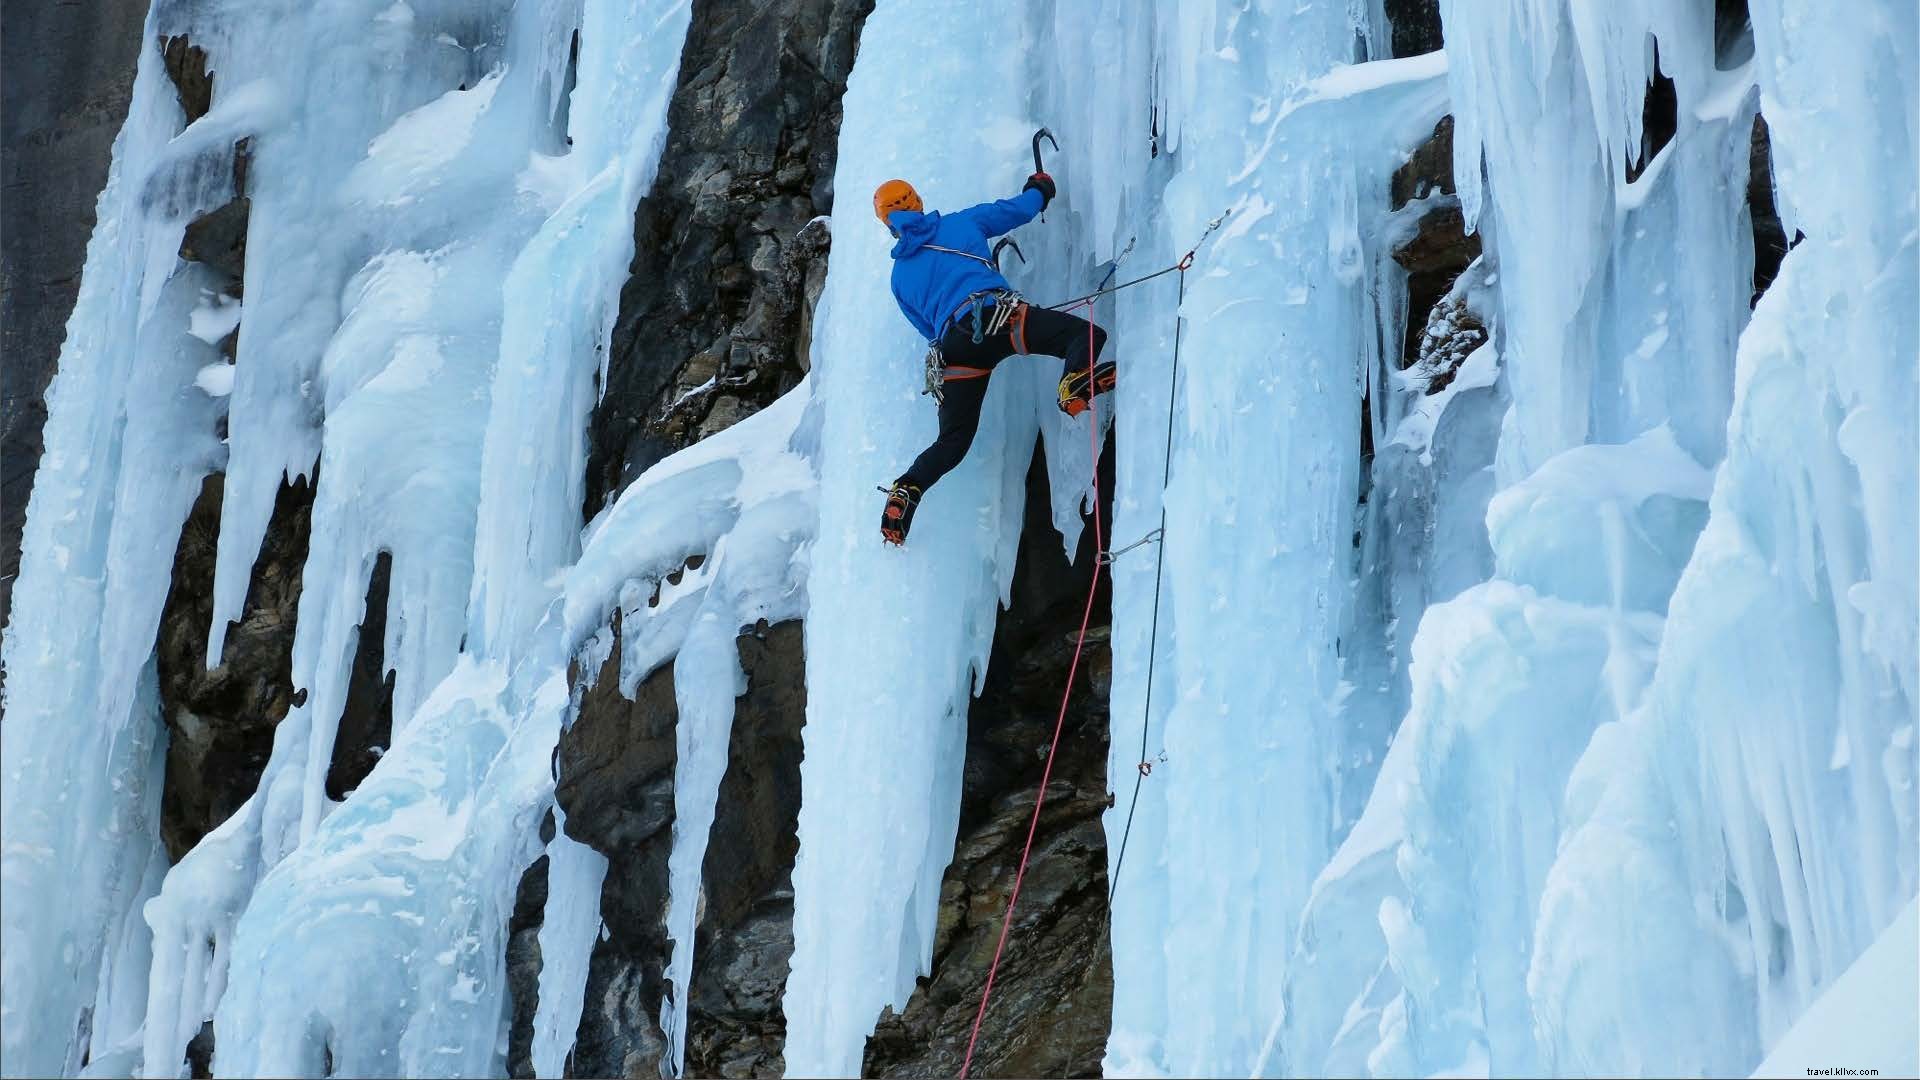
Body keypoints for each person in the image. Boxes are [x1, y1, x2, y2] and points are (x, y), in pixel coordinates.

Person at [873, 174, 1115, 545]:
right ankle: (1073, 382)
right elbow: (1016, 211)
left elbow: (926, 327)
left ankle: (907, 489)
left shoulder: (899, 278)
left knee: (952, 441)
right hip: (998, 319)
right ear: (918, 201)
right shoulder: (961, 223)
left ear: (887, 223)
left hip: (955, 350)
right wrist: (1041, 189)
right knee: (1085, 336)